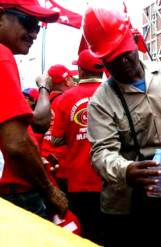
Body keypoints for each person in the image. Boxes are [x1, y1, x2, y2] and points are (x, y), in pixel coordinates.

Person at [83, 4, 161, 247]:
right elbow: (101, 154)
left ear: (134, 41)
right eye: (113, 60)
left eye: (126, 53)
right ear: (103, 61)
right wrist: (126, 170)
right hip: (126, 201)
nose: (124, 62)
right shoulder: (101, 102)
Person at [0, 0, 67, 218]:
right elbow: (16, 144)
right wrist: (49, 191)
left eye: (37, 26)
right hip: (18, 193)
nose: (34, 33)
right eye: (28, 22)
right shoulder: (2, 55)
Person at [50, 49, 104, 244]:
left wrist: (76, 134)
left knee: (84, 234)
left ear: (80, 71)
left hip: (78, 180)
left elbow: (55, 139)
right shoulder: (114, 93)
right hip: (111, 178)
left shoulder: (65, 98)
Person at [40, 64, 74, 192]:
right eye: (71, 78)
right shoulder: (67, 100)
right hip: (63, 164)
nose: (73, 81)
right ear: (66, 80)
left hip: (47, 160)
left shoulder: (44, 102)